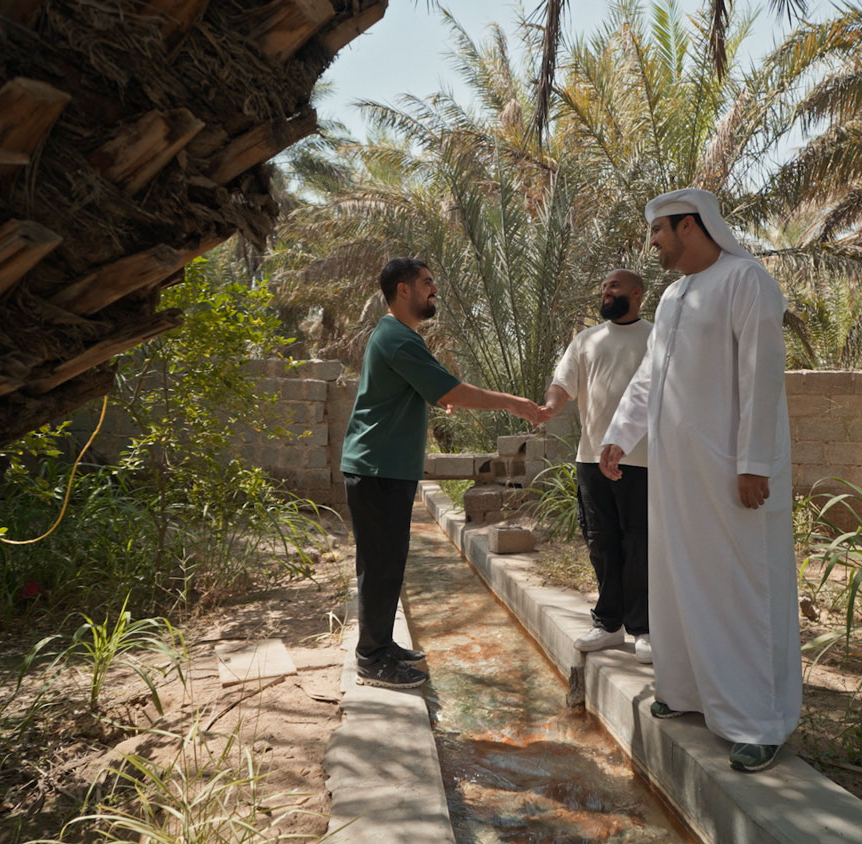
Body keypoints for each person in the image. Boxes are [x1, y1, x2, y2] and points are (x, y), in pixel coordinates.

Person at [599, 188, 802, 773]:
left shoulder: (747, 280)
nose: (653, 244)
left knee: (741, 587)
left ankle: (759, 721)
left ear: (689, 225)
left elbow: (763, 376)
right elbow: (649, 379)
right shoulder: (672, 295)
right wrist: (620, 434)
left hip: (729, 471)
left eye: (659, 232)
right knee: (678, 579)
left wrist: (754, 463)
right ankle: (688, 693)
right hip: (676, 473)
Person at [342, 257, 545, 689]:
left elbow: (429, 388)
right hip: (377, 468)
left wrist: (440, 394)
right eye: (427, 283)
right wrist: (514, 402)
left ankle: (382, 644)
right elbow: (449, 389)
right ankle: (372, 658)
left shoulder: (399, 336)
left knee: (388, 561)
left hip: (383, 469)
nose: (435, 290)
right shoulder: (397, 337)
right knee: (379, 564)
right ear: (403, 290)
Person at [541, 269, 654, 664]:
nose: (606, 292)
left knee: (639, 541)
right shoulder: (586, 340)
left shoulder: (655, 337)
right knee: (601, 540)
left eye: (615, 287)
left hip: (641, 460)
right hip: (590, 457)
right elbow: (563, 383)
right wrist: (550, 407)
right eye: (603, 286)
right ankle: (608, 624)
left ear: (636, 293)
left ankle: (643, 628)